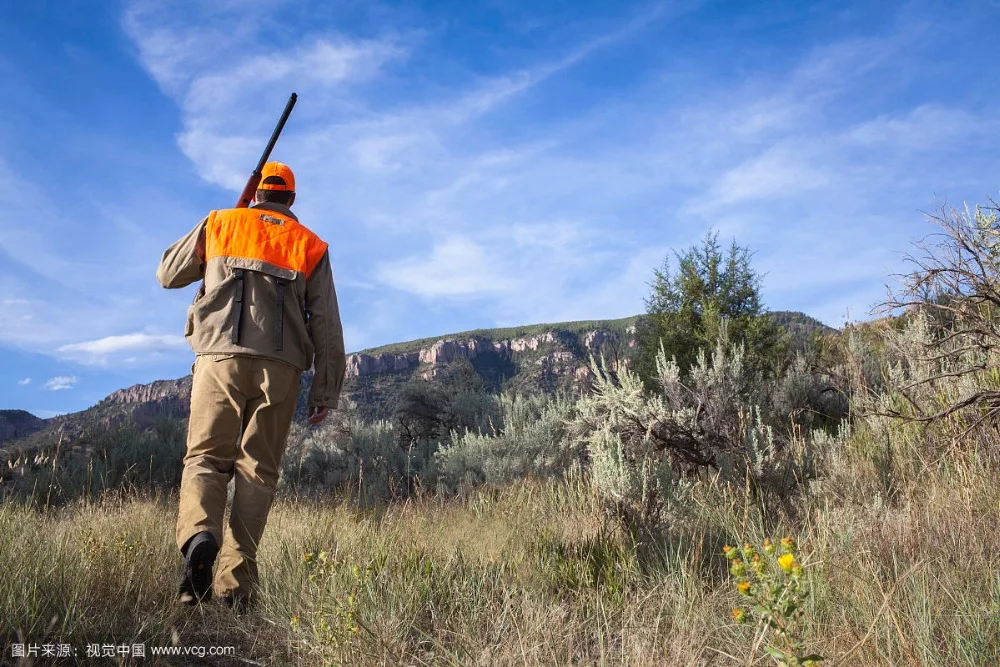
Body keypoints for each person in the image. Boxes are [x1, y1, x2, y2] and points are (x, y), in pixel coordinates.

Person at [157, 161, 346, 609]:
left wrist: (221, 223)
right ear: (292, 200)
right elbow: (328, 326)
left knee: (205, 459)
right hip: (280, 369)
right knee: (257, 472)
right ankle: (236, 584)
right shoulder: (310, 245)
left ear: (256, 192)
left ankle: (201, 536)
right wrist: (325, 392)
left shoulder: (220, 222)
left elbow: (168, 273)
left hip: (219, 360)